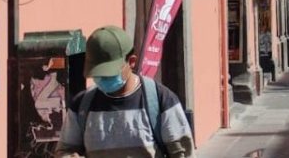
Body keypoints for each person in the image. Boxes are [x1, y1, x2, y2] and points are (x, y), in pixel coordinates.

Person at [57, 26, 195, 157]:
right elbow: (64, 150)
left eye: (109, 73)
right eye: (98, 74)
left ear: (131, 62)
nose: (103, 79)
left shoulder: (162, 100)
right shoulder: (81, 105)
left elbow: (183, 154)